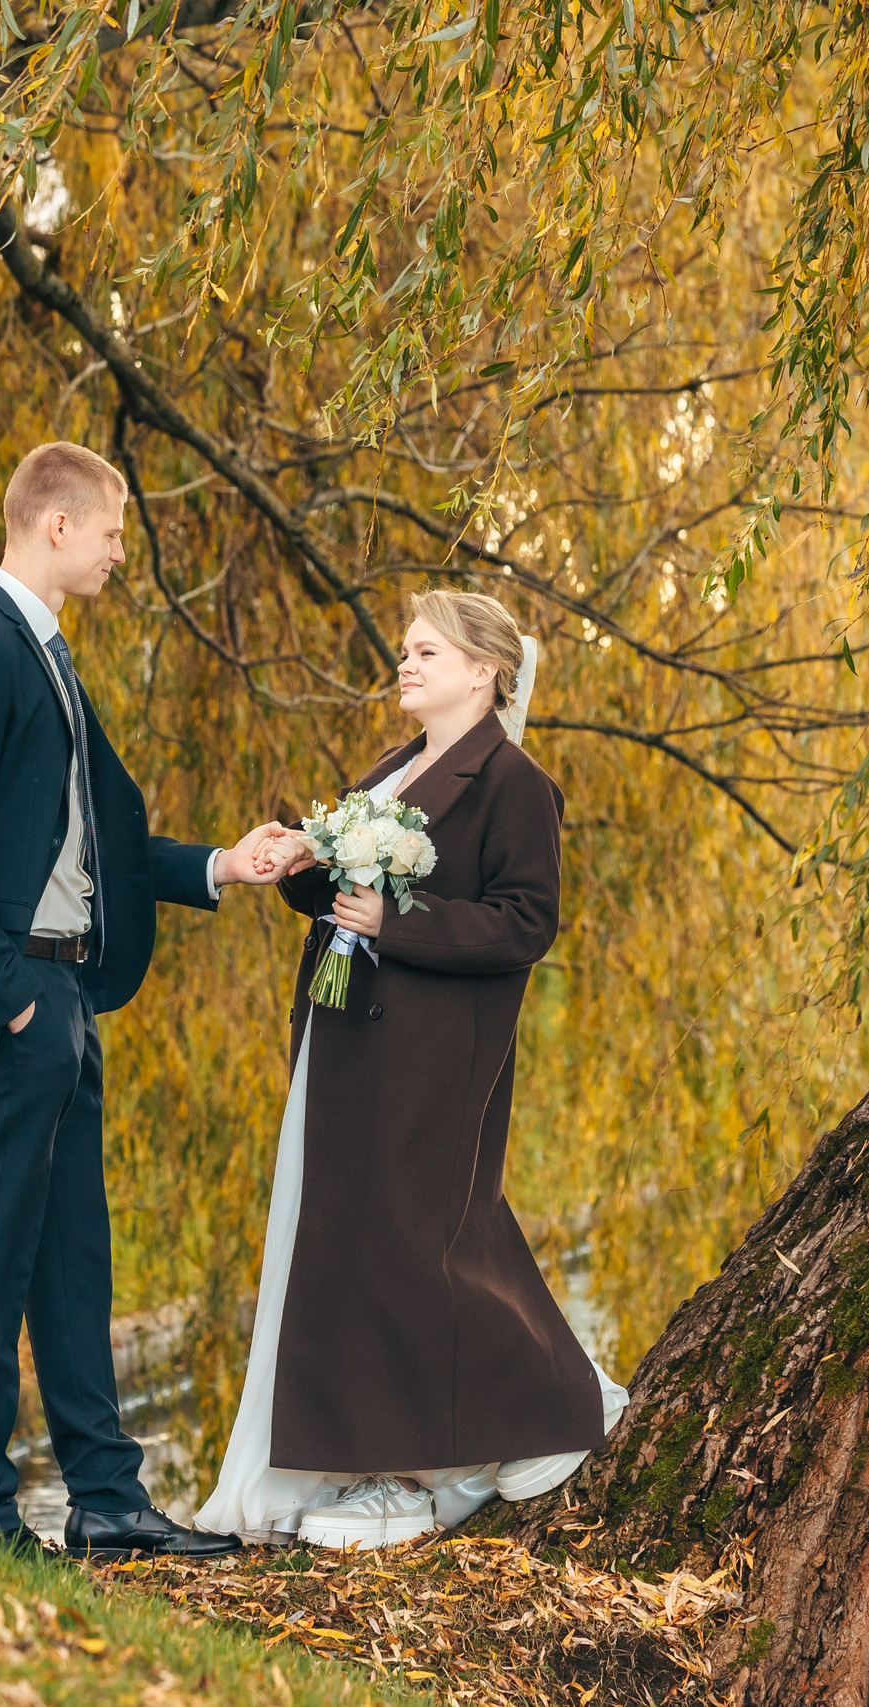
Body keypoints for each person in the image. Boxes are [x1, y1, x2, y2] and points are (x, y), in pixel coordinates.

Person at [0, 441, 294, 1560]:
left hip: (63, 997)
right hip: (15, 1002)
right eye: (110, 532)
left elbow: (96, 846)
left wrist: (223, 865)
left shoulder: (48, 657)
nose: (120, 552)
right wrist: (11, 999)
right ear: (56, 525)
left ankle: (107, 1501)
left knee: (73, 1259)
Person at [197, 589, 627, 1549]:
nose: (406, 663)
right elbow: (350, 886)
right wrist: (301, 861)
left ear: (484, 670)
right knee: (353, 1244)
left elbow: (526, 921)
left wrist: (397, 923)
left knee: (415, 1241)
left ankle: (521, 1416)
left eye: (427, 651)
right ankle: (368, 1460)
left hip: (432, 1051)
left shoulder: (514, 782)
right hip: (350, 1037)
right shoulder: (397, 766)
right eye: (406, 649)